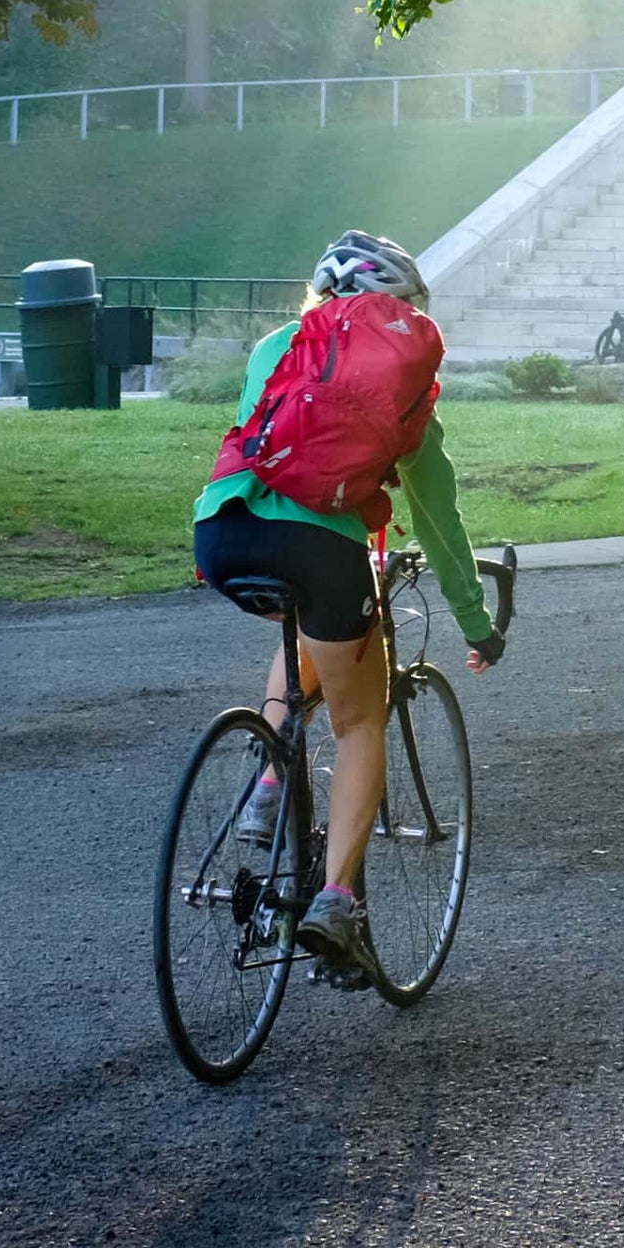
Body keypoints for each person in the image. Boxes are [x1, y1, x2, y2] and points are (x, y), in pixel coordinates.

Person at [191, 229, 502, 985]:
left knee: (302, 633)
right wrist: (477, 623)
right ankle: (334, 901)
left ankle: (267, 785)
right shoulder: (402, 385)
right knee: (359, 720)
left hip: (222, 533)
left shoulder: (279, 346)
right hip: (324, 551)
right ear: (404, 317)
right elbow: (436, 515)